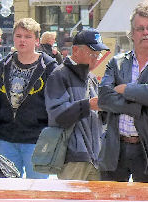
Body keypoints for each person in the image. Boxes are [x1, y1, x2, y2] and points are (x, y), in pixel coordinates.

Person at [97, 1, 148, 183]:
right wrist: (142, 102)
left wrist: (126, 89)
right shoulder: (116, 63)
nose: (145, 33)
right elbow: (103, 99)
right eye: (140, 28)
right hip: (114, 149)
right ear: (132, 34)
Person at [0, 18, 55, 178]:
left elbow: (54, 106)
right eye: (18, 36)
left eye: (27, 36)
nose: (22, 40)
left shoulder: (49, 67)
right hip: (6, 139)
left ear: (37, 41)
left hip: (37, 139)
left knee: (37, 194)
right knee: (8, 193)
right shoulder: (4, 65)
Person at [45, 27, 108, 181]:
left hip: (96, 158)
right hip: (72, 158)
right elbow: (57, 116)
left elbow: (100, 119)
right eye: (92, 54)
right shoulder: (59, 75)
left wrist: (108, 107)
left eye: (98, 54)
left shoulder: (91, 78)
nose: (96, 58)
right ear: (75, 50)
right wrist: (88, 105)